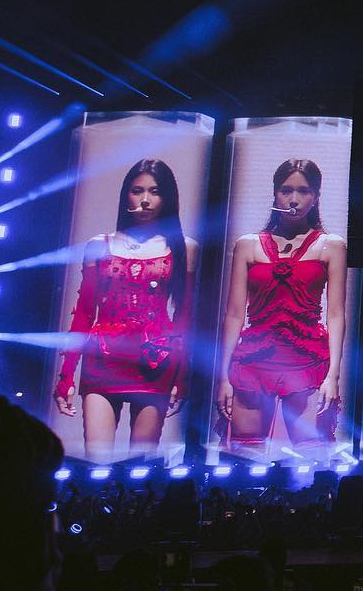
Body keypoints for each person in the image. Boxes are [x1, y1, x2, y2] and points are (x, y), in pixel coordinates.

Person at [56, 159, 198, 462]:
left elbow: (184, 319)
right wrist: (66, 375)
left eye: (155, 191)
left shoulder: (183, 248)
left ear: (167, 197)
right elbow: (84, 314)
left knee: (140, 465)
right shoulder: (99, 244)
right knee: (97, 460)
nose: (145, 199)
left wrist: (182, 375)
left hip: (155, 361)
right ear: (126, 195)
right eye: (137, 190)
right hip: (103, 359)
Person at [216, 160, 346, 459]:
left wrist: (333, 376)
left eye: (304, 191)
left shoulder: (331, 246)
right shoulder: (247, 245)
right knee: (244, 457)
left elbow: (336, 314)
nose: (294, 199)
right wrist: (223, 376)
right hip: (254, 362)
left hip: (306, 362)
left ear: (316, 196)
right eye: (286, 190)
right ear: (275, 193)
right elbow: (234, 315)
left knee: (312, 457)